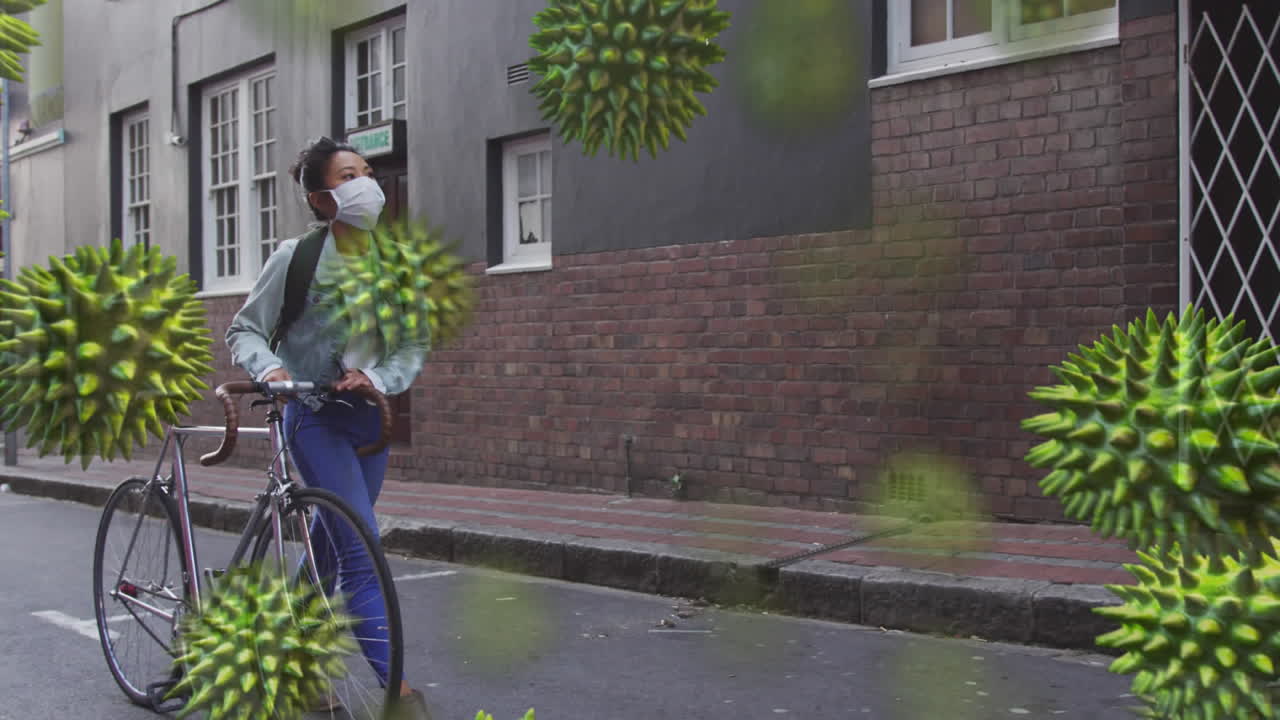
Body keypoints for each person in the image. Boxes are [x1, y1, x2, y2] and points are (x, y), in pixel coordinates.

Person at [225, 136, 431, 719]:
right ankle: (400, 694)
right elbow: (244, 330)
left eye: (367, 171)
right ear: (321, 199)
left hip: (369, 419)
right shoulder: (297, 257)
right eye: (348, 175)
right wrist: (273, 370)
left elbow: (414, 343)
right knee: (361, 549)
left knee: (332, 549)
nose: (366, 183)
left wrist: (376, 375)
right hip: (312, 416)